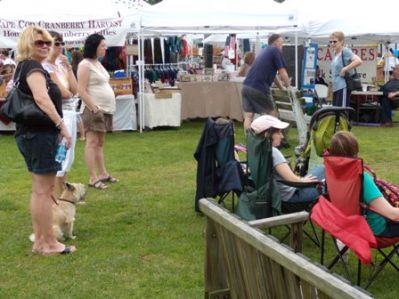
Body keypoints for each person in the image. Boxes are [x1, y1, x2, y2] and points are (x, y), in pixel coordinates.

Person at [13, 26, 75, 255]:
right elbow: (41, 97)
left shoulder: (24, 67)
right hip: (38, 135)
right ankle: (47, 243)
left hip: (31, 135)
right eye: (39, 42)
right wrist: (62, 126)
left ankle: (41, 241)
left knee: (41, 190)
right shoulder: (33, 67)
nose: (45, 46)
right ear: (27, 44)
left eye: (47, 42)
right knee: (44, 190)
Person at [329, 131, 399, 237]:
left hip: (346, 225)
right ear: (355, 153)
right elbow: (392, 214)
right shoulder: (361, 179)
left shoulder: (330, 174)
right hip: (375, 231)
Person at [251, 115, 324, 204]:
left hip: (272, 194)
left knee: (320, 170)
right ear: (267, 135)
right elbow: (291, 179)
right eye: (278, 133)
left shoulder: (255, 149)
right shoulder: (273, 152)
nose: (282, 136)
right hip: (291, 196)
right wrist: (302, 180)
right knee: (326, 170)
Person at [77, 33, 118, 190]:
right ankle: (92, 177)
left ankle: (103, 173)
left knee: (100, 143)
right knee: (92, 142)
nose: (105, 48)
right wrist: (94, 108)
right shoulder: (85, 65)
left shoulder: (97, 63)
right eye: (102, 45)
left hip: (105, 109)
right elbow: (81, 89)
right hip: (93, 109)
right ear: (94, 47)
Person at [43, 31, 79, 195]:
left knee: (68, 155)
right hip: (59, 113)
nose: (60, 47)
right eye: (56, 43)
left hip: (70, 112)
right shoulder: (45, 67)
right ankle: (58, 196)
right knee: (60, 154)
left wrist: (69, 68)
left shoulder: (60, 65)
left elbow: (76, 90)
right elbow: (64, 93)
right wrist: (70, 93)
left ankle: (64, 192)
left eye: (61, 43)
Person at [242, 34, 291, 131]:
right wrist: (289, 86)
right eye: (281, 43)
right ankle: (276, 138)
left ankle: (250, 139)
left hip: (246, 86)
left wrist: (281, 87)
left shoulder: (264, 51)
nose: (282, 46)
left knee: (249, 115)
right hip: (259, 87)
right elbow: (282, 71)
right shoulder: (275, 50)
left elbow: (273, 76)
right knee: (272, 114)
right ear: (275, 42)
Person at [329, 31, 362, 107]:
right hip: (336, 87)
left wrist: (345, 69)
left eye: (335, 41)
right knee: (336, 111)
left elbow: (358, 61)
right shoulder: (336, 53)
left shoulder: (345, 51)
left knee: (342, 111)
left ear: (341, 42)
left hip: (342, 85)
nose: (332, 43)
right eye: (330, 42)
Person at [71, 50, 86, 140]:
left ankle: (82, 134)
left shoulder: (72, 68)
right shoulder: (82, 67)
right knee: (79, 113)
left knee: (77, 114)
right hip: (82, 91)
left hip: (75, 93)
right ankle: (83, 134)